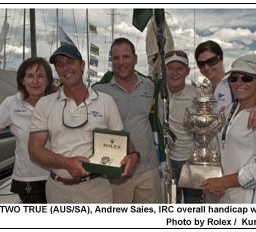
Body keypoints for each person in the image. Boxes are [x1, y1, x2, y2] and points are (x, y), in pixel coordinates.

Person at [28, 44, 138, 203]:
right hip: (57, 189)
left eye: (70, 62)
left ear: (82, 65)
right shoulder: (45, 104)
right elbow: (34, 150)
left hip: (96, 188)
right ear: (56, 71)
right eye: (59, 64)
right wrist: (66, 163)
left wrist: (133, 155)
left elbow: (121, 141)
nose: (65, 68)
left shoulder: (105, 101)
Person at [202, 55, 256, 203]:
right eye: (234, 78)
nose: (238, 83)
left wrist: (224, 182)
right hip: (226, 197)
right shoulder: (228, 110)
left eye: (246, 78)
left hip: (254, 200)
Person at [93, 37, 162, 203]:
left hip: (148, 169)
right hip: (117, 172)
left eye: (126, 57)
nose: (121, 62)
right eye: (116, 58)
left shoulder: (149, 86)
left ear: (135, 59)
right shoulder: (99, 92)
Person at [0, 57, 54, 203]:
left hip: (58, 176)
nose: (35, 81)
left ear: (47, 81)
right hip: (27, 179)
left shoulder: (57, 103)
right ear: (22, 80)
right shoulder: (11, 103)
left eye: (40, 76)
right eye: (30, 76)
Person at [195, 40, 256, 129]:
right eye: (201, 64)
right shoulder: (205, 90)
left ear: (221, 59)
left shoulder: (237, 82)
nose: (206, 67)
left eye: (211, 61)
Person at [157, 50, 202, 203]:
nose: (174, 73)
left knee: (193, 206)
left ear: (187, 71)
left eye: (180, 68)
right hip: (167, 162)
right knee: (171, 203)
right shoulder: (157, 92)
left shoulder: (196, 96)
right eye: (170, 68)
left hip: (191, 161)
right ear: (164, 71)